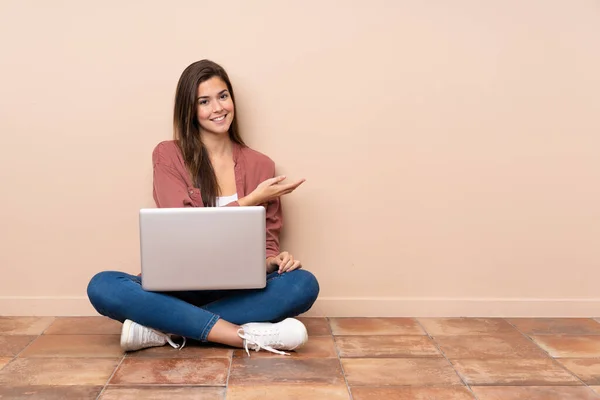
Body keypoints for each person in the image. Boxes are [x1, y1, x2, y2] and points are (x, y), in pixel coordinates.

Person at [87, 59, 319, 356]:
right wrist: (251, 200)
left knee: (302, 284)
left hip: (238, 288)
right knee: (103, 285)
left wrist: (275, 261)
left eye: (223, 96)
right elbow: (179, 225)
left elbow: (267, 244)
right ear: (190, 110)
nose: (218, 108)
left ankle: (163, 327)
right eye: (204, 102)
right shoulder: (168, 154)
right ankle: (242, 335)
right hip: (177, 284)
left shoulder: (261, 164)